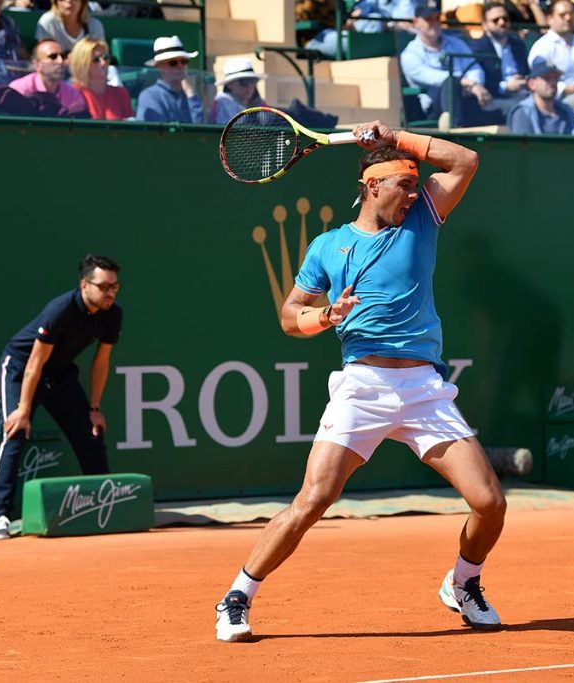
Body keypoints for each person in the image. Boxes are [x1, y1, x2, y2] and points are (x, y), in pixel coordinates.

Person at [214, 122, 506, 642]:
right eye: (405, 185)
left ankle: (464, 582)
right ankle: (237, 596)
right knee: (313, 500)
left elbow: (464, 160)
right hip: (362, 387)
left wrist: (396, 134)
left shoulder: (422, 219)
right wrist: (328, 316)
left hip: (423, 389)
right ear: (374, 186)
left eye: (418, 185)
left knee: (489, 503)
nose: (415, 193)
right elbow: (290, 316)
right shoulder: (328, 246)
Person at [0, 254, 123, 540]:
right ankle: (0, 515)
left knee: (91, 431)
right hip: (21, 369)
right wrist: (23, 409)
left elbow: (101, 361)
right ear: (84, 285)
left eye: (115, 287)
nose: (110, 293)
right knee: (16, 431)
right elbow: (34, 364)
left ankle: (106, 506)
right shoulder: (60, 310)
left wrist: (94, 407)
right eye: (104, 287)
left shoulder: (112, 314)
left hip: (59, 375)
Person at [399, 6, 500, 126]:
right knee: (450, 83)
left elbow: (474, 67)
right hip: (434, 108)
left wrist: (474, 85)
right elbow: (436, 78)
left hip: (468, 97)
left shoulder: (456, 43)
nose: (435, 23)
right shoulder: (410, 54)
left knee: (498, 111)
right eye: (429, 19)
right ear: (416, 22)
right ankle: (454, 129)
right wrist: (469, 83)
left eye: (437, 18)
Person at [527, 0, 574, 114]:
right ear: (549, 19)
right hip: (556, 101)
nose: (568, 18)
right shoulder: (541, 47)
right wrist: (567, 88)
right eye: (562, 15)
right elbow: (540, 83)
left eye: (572, 14)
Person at [467, 2, 531, 118]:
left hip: (521, 95)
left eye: (505, 19)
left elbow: (526, 71)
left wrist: (523, 81)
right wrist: (506, 86)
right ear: (485, 25)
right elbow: (481, 81)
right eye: (496, 20)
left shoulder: (518, 45)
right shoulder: (477, 47)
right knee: (525, 110)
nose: (502, 23)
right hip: (493, 99)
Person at [9, 39, 89, 115]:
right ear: (37, 64)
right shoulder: (19, 90)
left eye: (63, 56)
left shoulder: (73, 94)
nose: (60, 61)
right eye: (53, 57)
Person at [135, 36, 203, 124]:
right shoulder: (150, 95)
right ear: (159, 67)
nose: (180, 66)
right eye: (173, 63)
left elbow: (202, 131)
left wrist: (191, 95)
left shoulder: (190, 96)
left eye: (184, 61)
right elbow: (161, 134)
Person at [507, 57, 574, 134]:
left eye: (555, 78)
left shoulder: (566, 111)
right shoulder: (523, 112)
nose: (552, 82)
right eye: (547, 78)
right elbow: (522, 145)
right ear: (532, 84)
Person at [69, 38, 133, 120]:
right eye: (96, 60)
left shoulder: (121, 93)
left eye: (105, 58)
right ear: (83, 64)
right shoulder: (73, 94)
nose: (103, 63)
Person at [210, 56, 268, 125]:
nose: (249, 86)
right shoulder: (222, 103)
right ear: (229, 84)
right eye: (244, 82)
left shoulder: (259, 103)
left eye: (252, 81)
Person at [35, 0, 105, 54]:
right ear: (56, 2)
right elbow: (44, 55)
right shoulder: (47, 22)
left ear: (83, 2)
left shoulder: (95, 25)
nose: (69, 1)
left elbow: (100, 55)